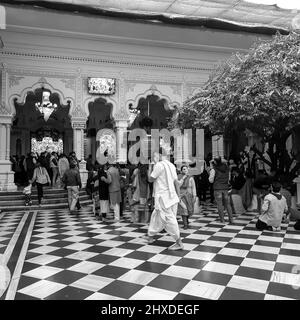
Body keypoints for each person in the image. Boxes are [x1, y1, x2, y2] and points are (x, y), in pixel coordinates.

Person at [145, 149, 184, 250]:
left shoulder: (159, 165)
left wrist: (149, 167)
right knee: (156, 216)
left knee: (170, 219)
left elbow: (150, 179)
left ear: (160, 155)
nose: (154, 158)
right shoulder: (171, 165)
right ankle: (150, 236)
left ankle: (179, 242)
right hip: (172, 197)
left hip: (163, 198)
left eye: (155, 155)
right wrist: (178, 196)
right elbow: (176, 182)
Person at [209, 156, 234, 224]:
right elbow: (229, 179)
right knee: (227, 204)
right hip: (225, 188)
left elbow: (211, 180)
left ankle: (222, 220)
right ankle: (231, 219)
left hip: (217, 188)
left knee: (220, 204)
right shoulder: (227, 168)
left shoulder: (214, 169)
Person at [177, 165, 197, 229]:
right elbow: (177, 186)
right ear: (181, 170)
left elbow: (193, 187)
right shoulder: (179, 177)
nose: (185, 170)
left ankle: (186, 220)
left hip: (189, 195)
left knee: (189, 210)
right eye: (184, 169)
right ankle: (185, 224)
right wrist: (183, 178)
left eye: (186, 169)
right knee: (184, 210)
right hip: (182, 195)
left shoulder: (191, 178)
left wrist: (194, 195)